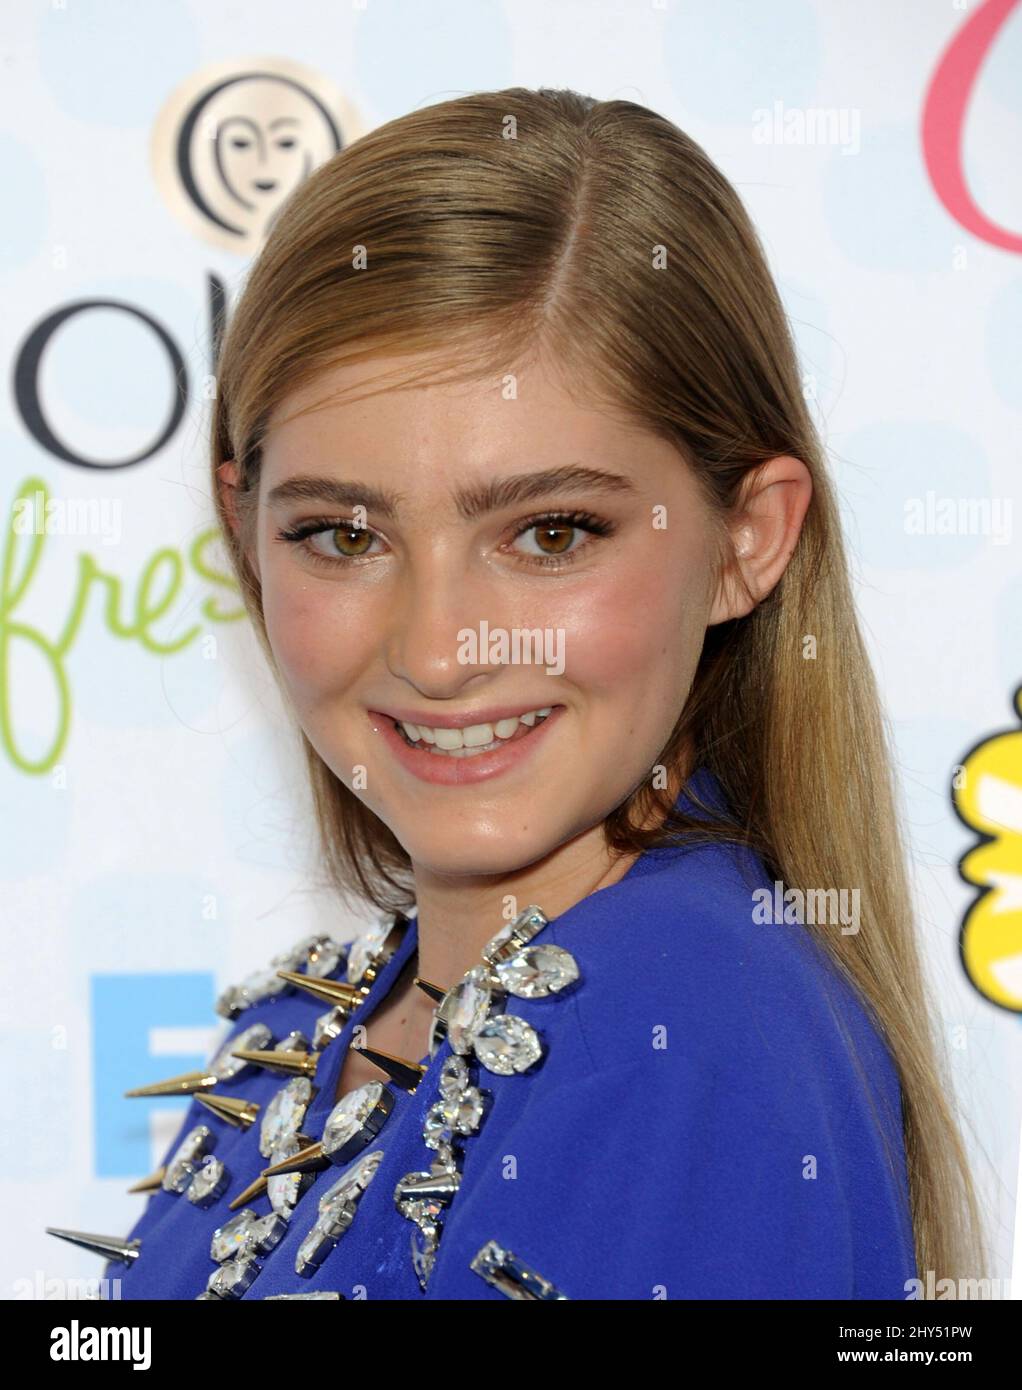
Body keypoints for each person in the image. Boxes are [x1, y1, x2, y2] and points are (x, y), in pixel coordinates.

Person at [49, 86, 984, 1299]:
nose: (439, 649)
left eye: (549, 533)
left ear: (747, 538)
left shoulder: (671, 1046)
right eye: (340, 534)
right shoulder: (291, 1037)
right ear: (243, 528)